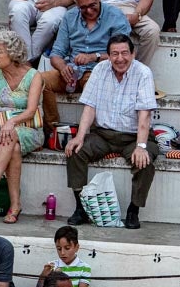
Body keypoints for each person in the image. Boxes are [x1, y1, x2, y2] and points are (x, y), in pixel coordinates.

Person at [64, 33, 159, 229]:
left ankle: (134, 210)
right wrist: (80, 137)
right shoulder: (100, 69)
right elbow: (89, 107)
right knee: (75, 151)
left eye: (125, 53)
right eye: (114, 54)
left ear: (133, 54)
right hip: (103, 134)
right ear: (108, 55)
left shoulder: (143, 73)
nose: (120, 58)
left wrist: (141, 146)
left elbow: (144, 116)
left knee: (145, 160)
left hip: (134, 136)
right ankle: (80, 208)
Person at [40, 0, 133, 133]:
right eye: (83, 7)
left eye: (92, 5)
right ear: (76, 5)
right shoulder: (70, 17)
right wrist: (63, 67)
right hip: (73, 71)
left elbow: (122, 55)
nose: (89, 11)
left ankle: (96, 132)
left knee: (93, 84)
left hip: (100, 70)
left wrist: (93, 57)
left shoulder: (115, 16)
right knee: (40, 80)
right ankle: (53, 131)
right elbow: (56, 53)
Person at [0, 30, 44, 224]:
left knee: (11, 135)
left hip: (29, 128)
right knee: (13, 147)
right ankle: (15, 206)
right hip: (2, 129)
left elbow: (31, 110)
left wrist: (12, 121)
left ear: (12, 54)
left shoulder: (33, 76)